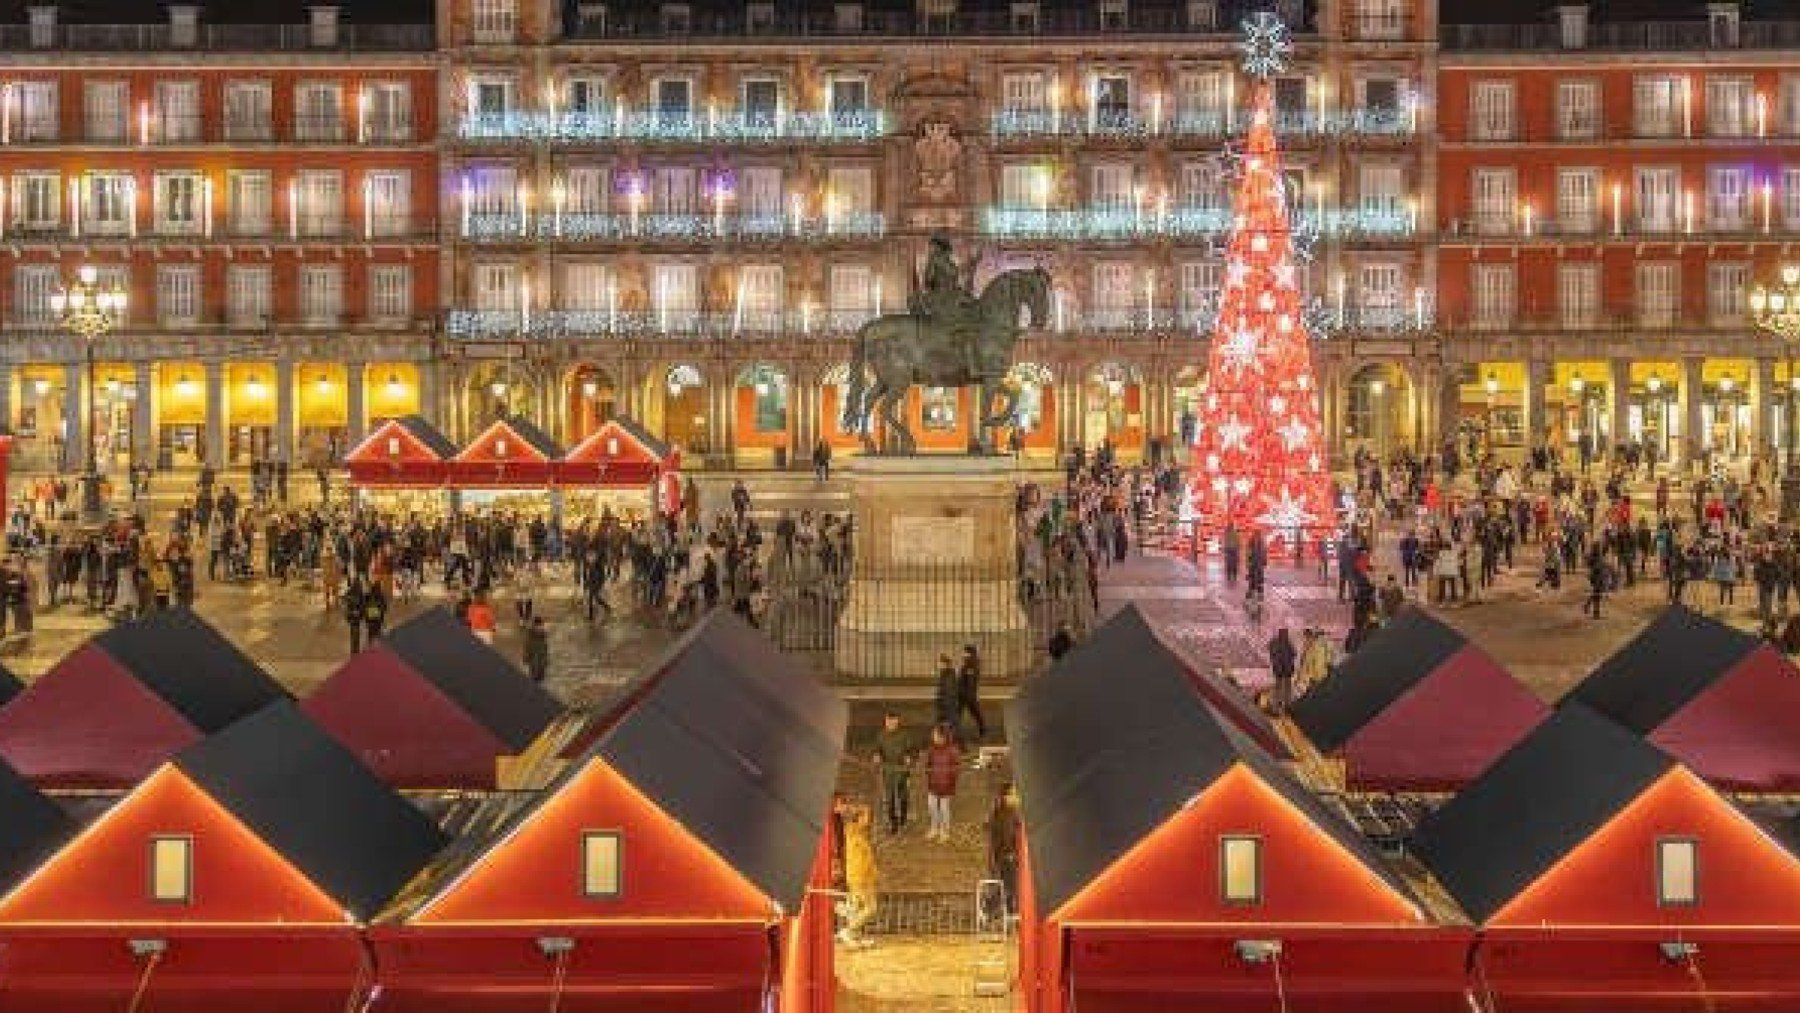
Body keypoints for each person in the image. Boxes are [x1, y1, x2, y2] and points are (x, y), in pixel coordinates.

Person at [839, 802, 878, 948]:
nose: (869, 819)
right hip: (858, 877)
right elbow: (845, 812)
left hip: (864, 877)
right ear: (858, 818)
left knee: (857, 908)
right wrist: (853, 809)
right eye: (866, 816)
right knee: (870, 908)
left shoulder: (860, 834)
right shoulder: (852, 832)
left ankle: (855, 936)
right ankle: (848, 931)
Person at [871, 712, 914, 836]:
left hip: (902, 771)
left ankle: (903, 819)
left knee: (903, 797)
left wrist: (909, 757)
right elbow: (876, 749)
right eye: (889, 721)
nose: (891, 724)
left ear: (897, 722)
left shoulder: (904, 735)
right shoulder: (880, 736)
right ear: (885, 722)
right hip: (888, 772)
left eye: (894, 722)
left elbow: (911, 750)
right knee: (890, 799)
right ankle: (893, 823)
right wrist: (876, 755)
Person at [986, 782, 1022, 919]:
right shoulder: (1001, 814)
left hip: (1008, 857)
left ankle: (1005, 910)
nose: (1017, 797)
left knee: (1008, 887)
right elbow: (1002, 838)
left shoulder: (1011, 813)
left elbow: (1016, 833)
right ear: (1005, 797)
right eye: (1013, 794)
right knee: (1004, 886)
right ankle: (992, 910)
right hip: (1003, 857)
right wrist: (1009, 853)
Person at [923, 724, 961, 843]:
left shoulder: (953, 750)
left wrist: (951, 783)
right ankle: (934, 828)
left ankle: (945, 831)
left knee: (944, 809)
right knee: (932, 807)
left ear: (942, 736)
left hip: (947, 785)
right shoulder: (931, 750)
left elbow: (956, 768)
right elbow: (927, 765)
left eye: (935, 734)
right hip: (933, 784)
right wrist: (929, 777)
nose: (933, 736)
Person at [956, 643, 987, 741]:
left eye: (965, 652)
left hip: (967, 695)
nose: (963, 654)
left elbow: (970, 681)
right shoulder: (969, 663)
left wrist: (964, 693)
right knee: (962, 714)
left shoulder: (971, 665)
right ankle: (982, 731)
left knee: (975, 713)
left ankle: (983, 731)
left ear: (969, 653)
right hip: (966, 694)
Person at [1266, 627, 1297, 715]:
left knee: (1279, 688)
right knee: (1286, 688)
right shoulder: (1287, 643)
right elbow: (1294, 654)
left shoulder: (1275, 643)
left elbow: (1271, 652)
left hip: (1279, 670)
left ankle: (1276, 707)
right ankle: (1286, 706)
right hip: (1286, 670)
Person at [522, 615, 549, 683]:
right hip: (539, 654)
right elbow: (545, 646)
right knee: (539, 672)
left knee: (534, 671)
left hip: (534, 654)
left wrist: (525, 657)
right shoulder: (543, 633)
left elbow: (527, 645)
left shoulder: (531, 632)